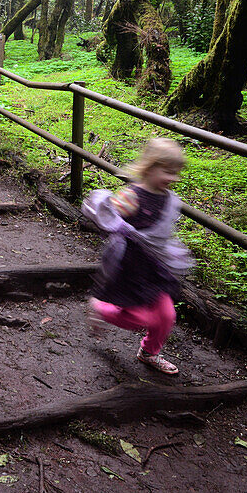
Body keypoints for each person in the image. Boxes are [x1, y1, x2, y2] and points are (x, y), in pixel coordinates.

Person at [81, 138, 194, 375]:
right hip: (131, 267)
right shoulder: (132, 196)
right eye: (168, 172)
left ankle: (149, 352)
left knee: (166, 315)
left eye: (176, 173)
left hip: (155, 268)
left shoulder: (168, 197)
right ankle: (101, 309)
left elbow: (162, 234)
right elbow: (106, 215)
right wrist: (112, 209)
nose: (173, 178)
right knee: (139, 318)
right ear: (151, 168)